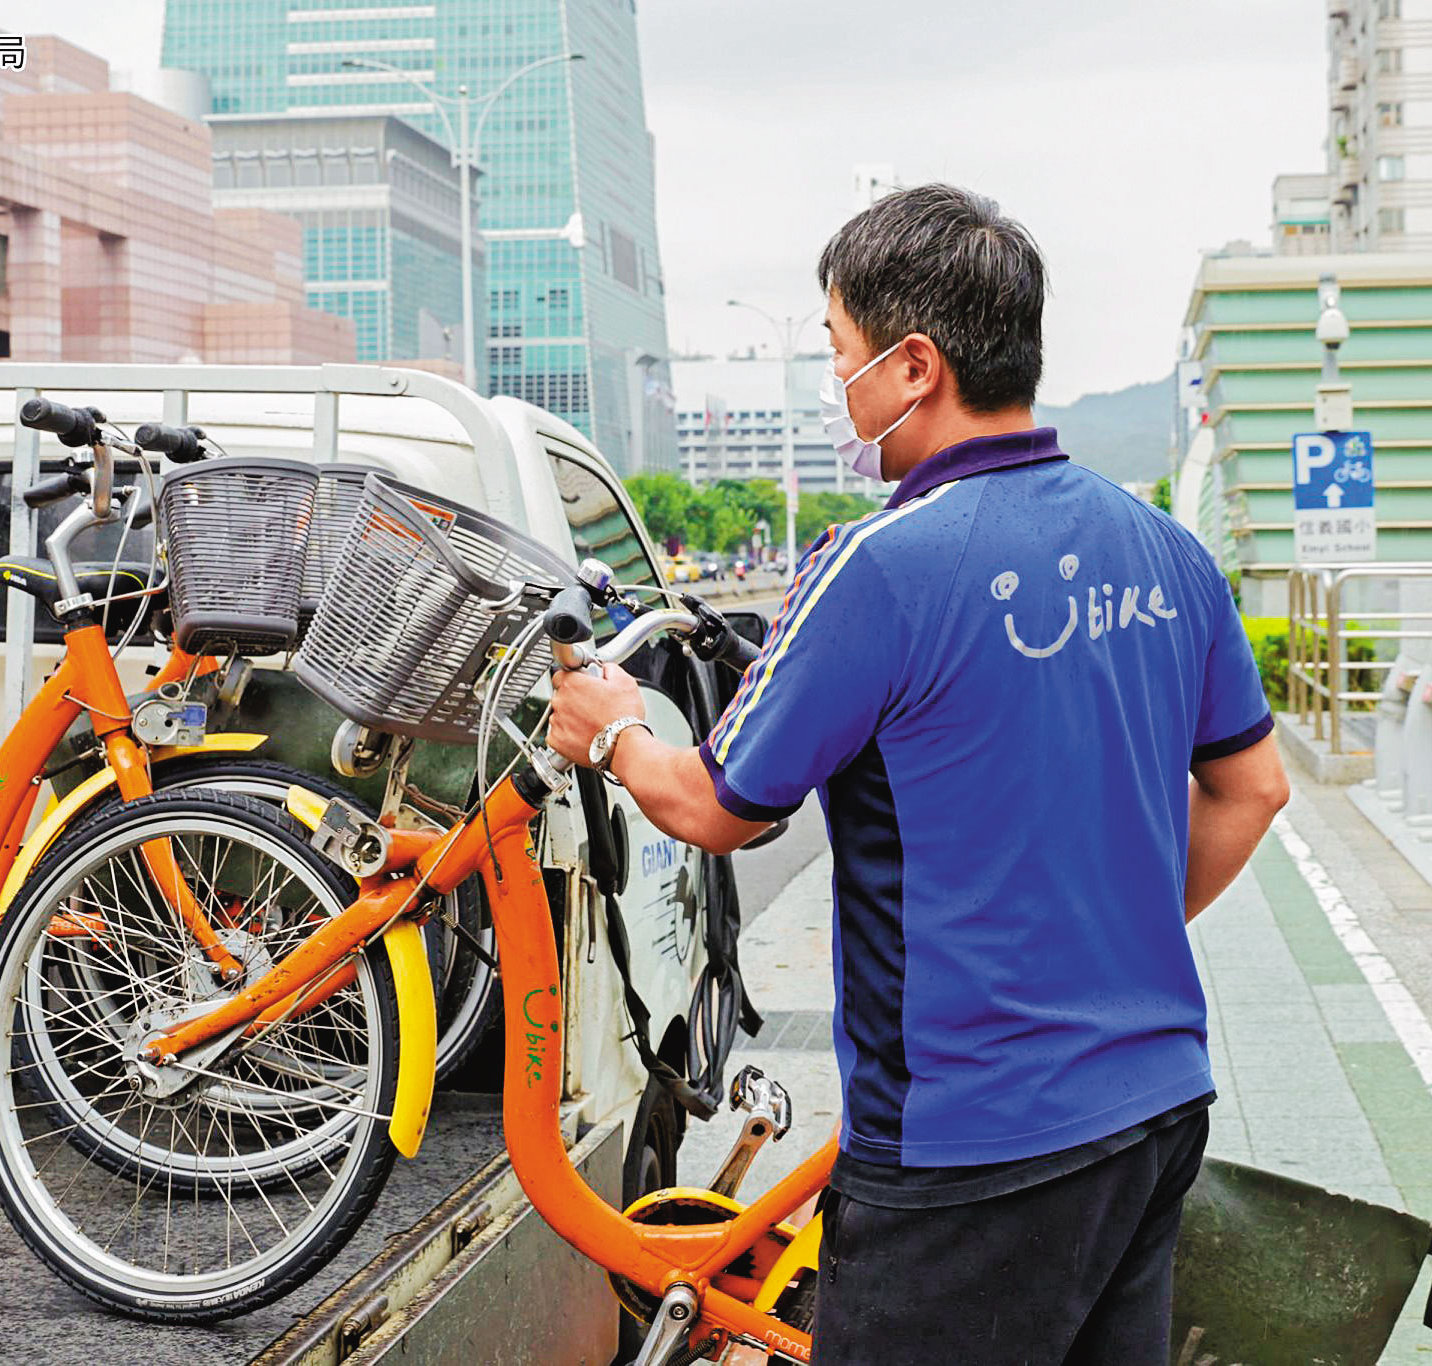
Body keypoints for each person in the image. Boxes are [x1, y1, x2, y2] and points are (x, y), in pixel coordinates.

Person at [548, 183, 1289, 1365]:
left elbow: (713, 807)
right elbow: (1252, 790)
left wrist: (611, 728)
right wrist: (1109, 931)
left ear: (911, 367)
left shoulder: (878, 565)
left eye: (837, 354)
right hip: (1153, 1105)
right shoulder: (1164, 548)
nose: (837, 388)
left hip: (967, 1142)